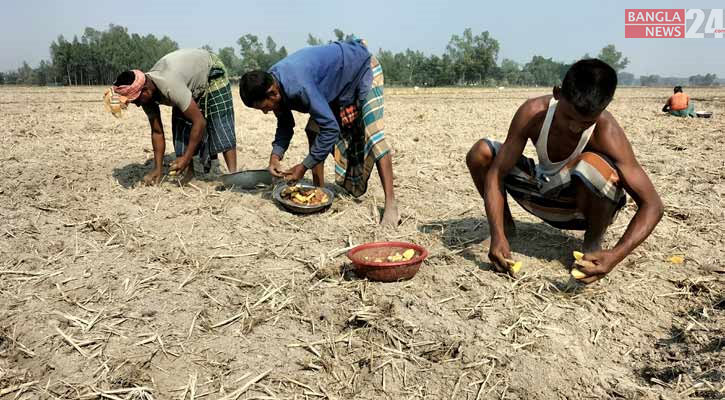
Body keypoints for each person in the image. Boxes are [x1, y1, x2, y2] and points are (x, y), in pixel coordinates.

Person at [466, 59, 664, 284]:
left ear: (604, 108)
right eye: (568, 117)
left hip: (577, 209)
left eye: (585, 122)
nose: (575, 127)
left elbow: (653, 205)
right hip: (541, 190)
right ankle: (506, 229)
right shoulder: (533, 113)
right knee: (481, 152)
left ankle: (591, 243)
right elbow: (496, 173)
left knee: (593, 165)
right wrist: (496, 233)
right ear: (557, 93)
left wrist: (616, 255)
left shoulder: (607, 132)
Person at [239, 39, 399, 226]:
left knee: (374, 137)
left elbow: (331, 128)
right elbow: (285, 123)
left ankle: (391, 204)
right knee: (313, 130)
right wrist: (275, 157)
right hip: (335, 84)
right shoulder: (272, 81)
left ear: (273, 93)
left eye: (264, 107)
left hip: (361, 69)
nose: (266, 112)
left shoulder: (298, 86)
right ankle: (319, 190)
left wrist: (304, 166)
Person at [107, 49, 238, 185]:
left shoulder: (170, 85)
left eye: (137, 101)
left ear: (146, 90)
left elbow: (199, 122)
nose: (138, 105)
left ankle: (234, 175)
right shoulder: (146, 95)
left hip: (210, 69)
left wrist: (186, 158)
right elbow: (157, 132)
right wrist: (157, 169)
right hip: (185, 80)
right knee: (180, 126)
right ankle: (190, 173)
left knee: (221, 123)